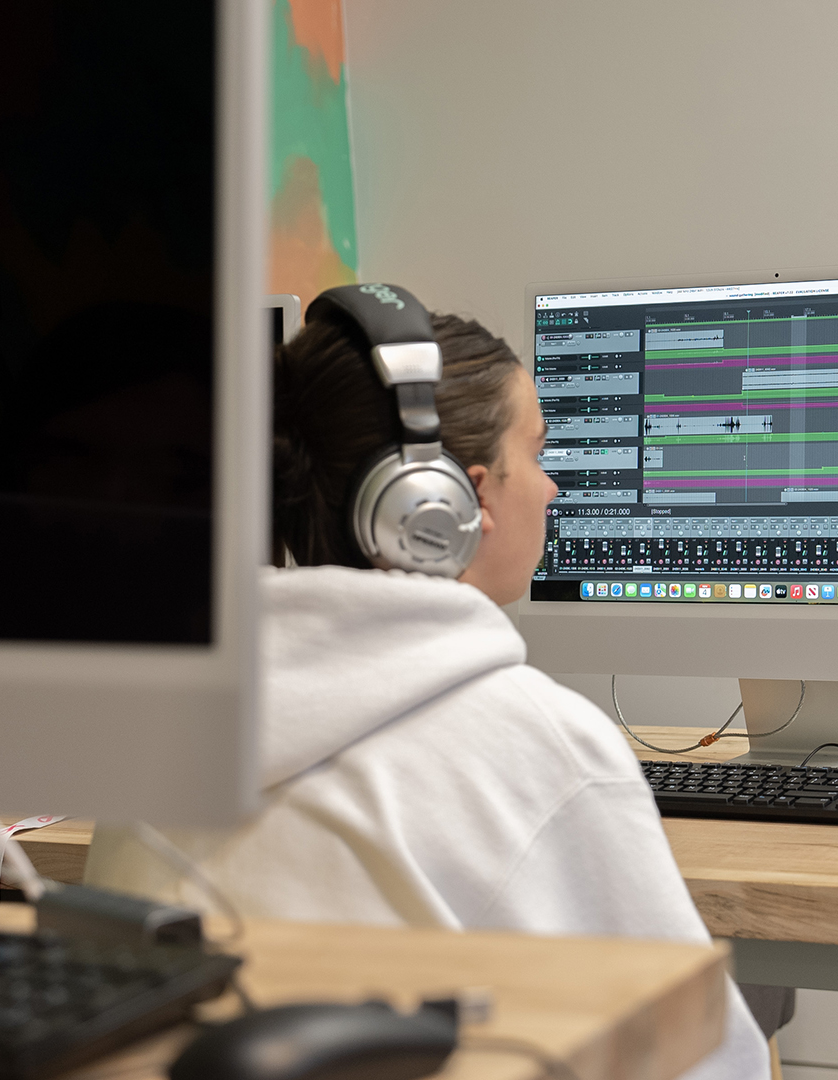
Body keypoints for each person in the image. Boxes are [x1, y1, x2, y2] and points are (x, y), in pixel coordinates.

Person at [82, 292, 769, 1080]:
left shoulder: (171, 723)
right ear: (447, 503)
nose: (551, 489)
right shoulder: (541, 740)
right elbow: (700, 1052)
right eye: (537, 453)